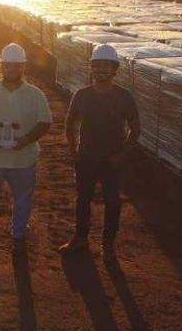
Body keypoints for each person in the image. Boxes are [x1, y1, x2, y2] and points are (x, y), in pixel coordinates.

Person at [0, 43, 52, 253]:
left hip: (23, 161)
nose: (12, 70)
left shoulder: (35, 95)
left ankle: (19, 234)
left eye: (17, 66)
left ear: (24, 67)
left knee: (22, 200)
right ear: (2, 66)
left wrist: (26, 140)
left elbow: (45, 122)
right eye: (8, 66)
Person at [59, 44, 140, 260]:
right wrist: (73, 149)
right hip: (86, 158)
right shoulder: (82, 95)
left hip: (112, 161)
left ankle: (108, 243)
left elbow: (136, 128)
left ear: (115, 70)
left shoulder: (124, 97)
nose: (101, 70)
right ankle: (81, 238)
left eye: (106, 66)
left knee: (113, 202)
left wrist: (122, 156)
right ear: (91, 69)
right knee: (83, 199)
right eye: (97, 65)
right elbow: (69, 123)